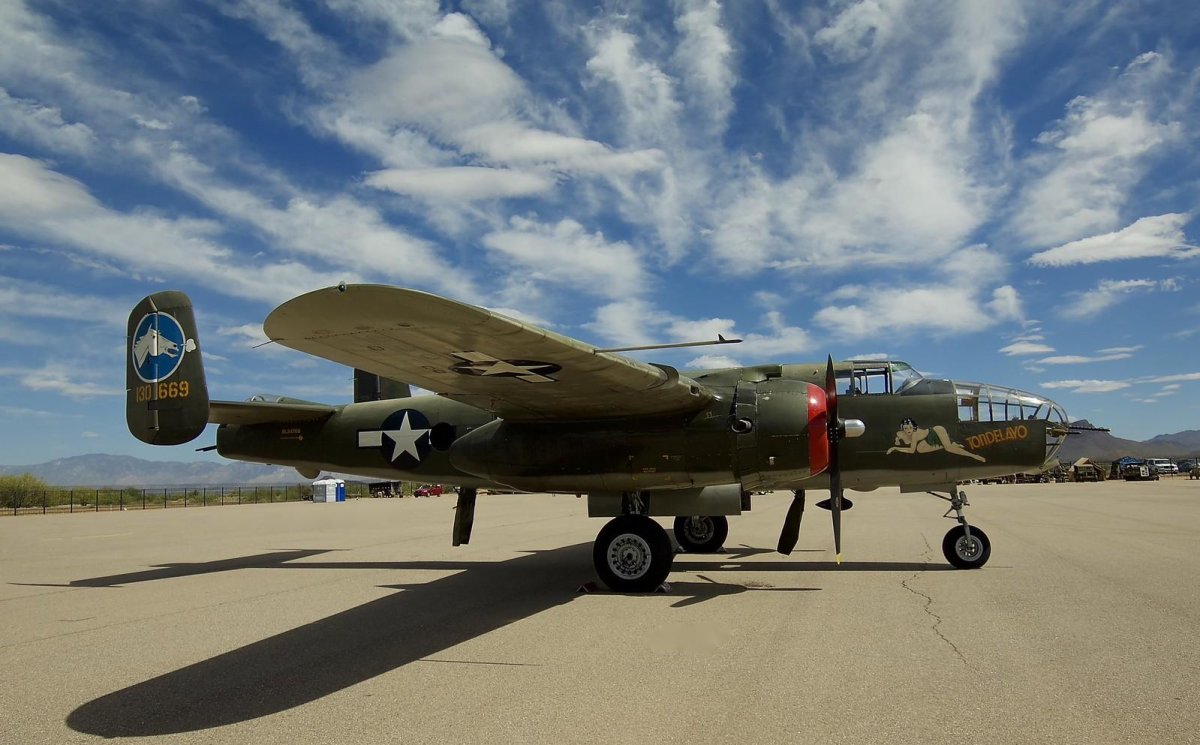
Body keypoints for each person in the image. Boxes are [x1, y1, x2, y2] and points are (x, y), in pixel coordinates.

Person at [887, 418, 986, 462]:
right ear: (902, 429)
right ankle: (951, 444)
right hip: (928, 439)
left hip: (935, 431)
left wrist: (895, 448)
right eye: (905, 428)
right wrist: (897, 440)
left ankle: (974, 456)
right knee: (920, 449)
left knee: (949, 449)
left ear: (914, 427)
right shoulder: (900, 433)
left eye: (910, 428)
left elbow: (911, 450)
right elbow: (898, 436)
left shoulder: (915, 435)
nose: (908, 430)